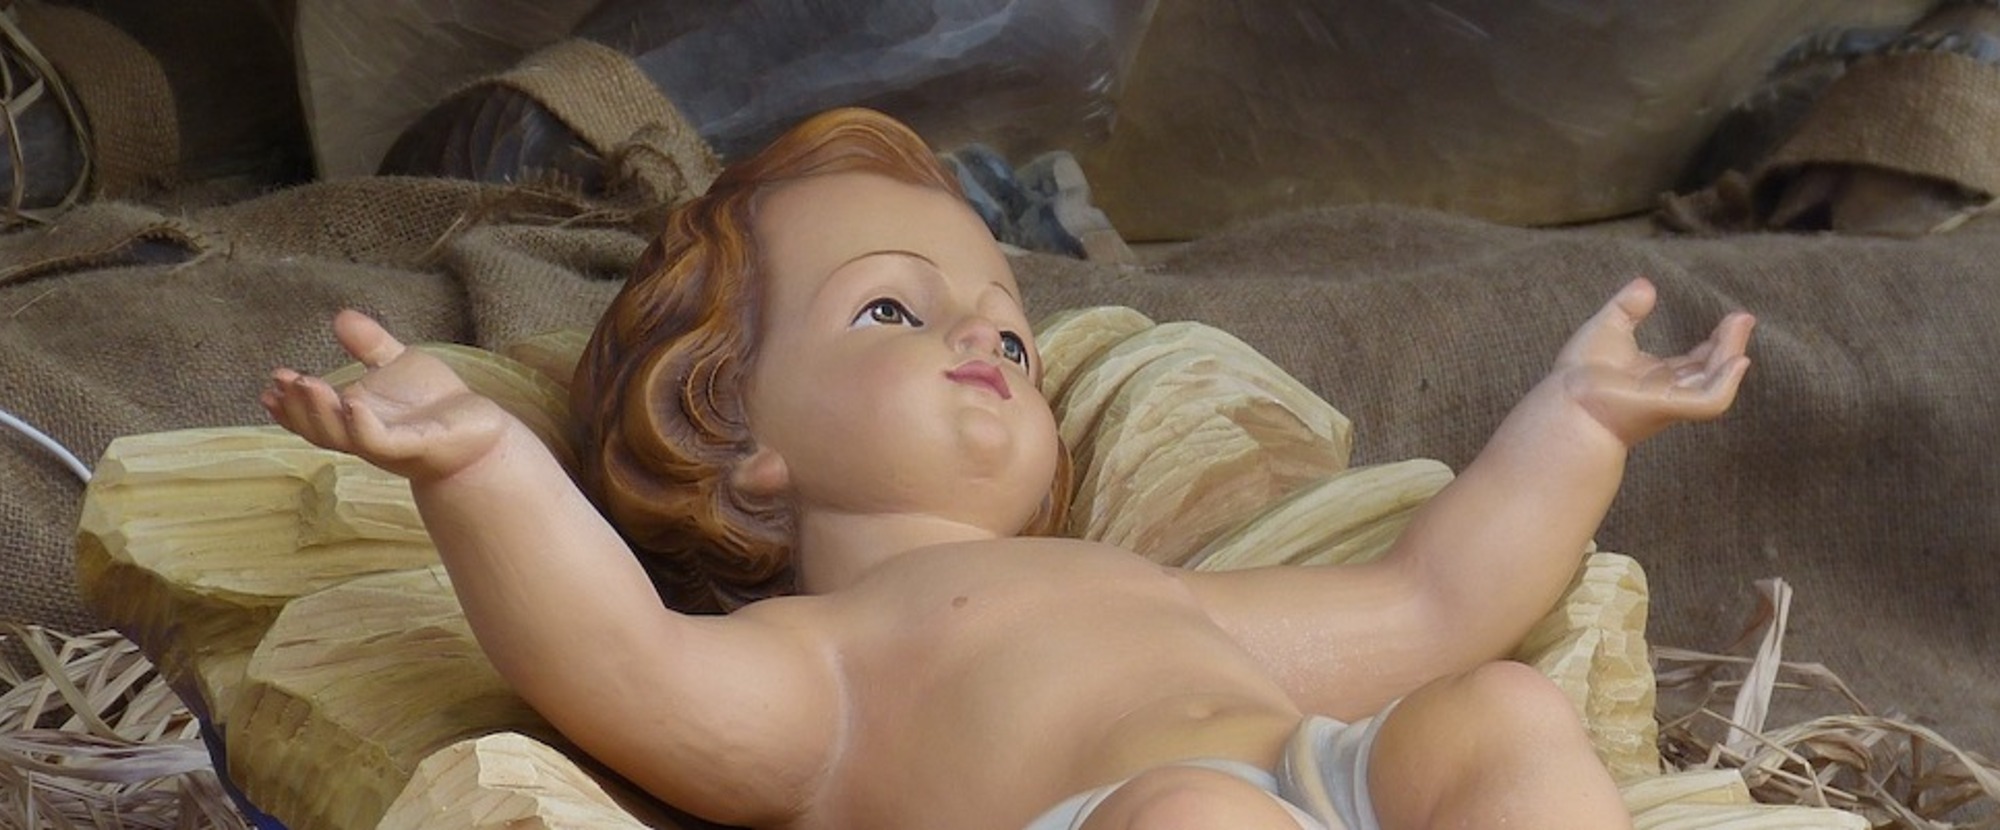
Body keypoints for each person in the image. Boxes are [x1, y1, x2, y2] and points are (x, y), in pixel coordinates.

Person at [261, 107, 1755, 829]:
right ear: (735, 433)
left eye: (1007, 326)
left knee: (1499, 715)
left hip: (1322, 779)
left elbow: (1436, 600)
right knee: (1195, 821)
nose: (982, 336)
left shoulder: (1147, 586)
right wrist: (480, 465)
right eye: (891, 311)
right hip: (1124, 824)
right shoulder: (822, 660)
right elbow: (614, 657)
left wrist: (1577, 422)